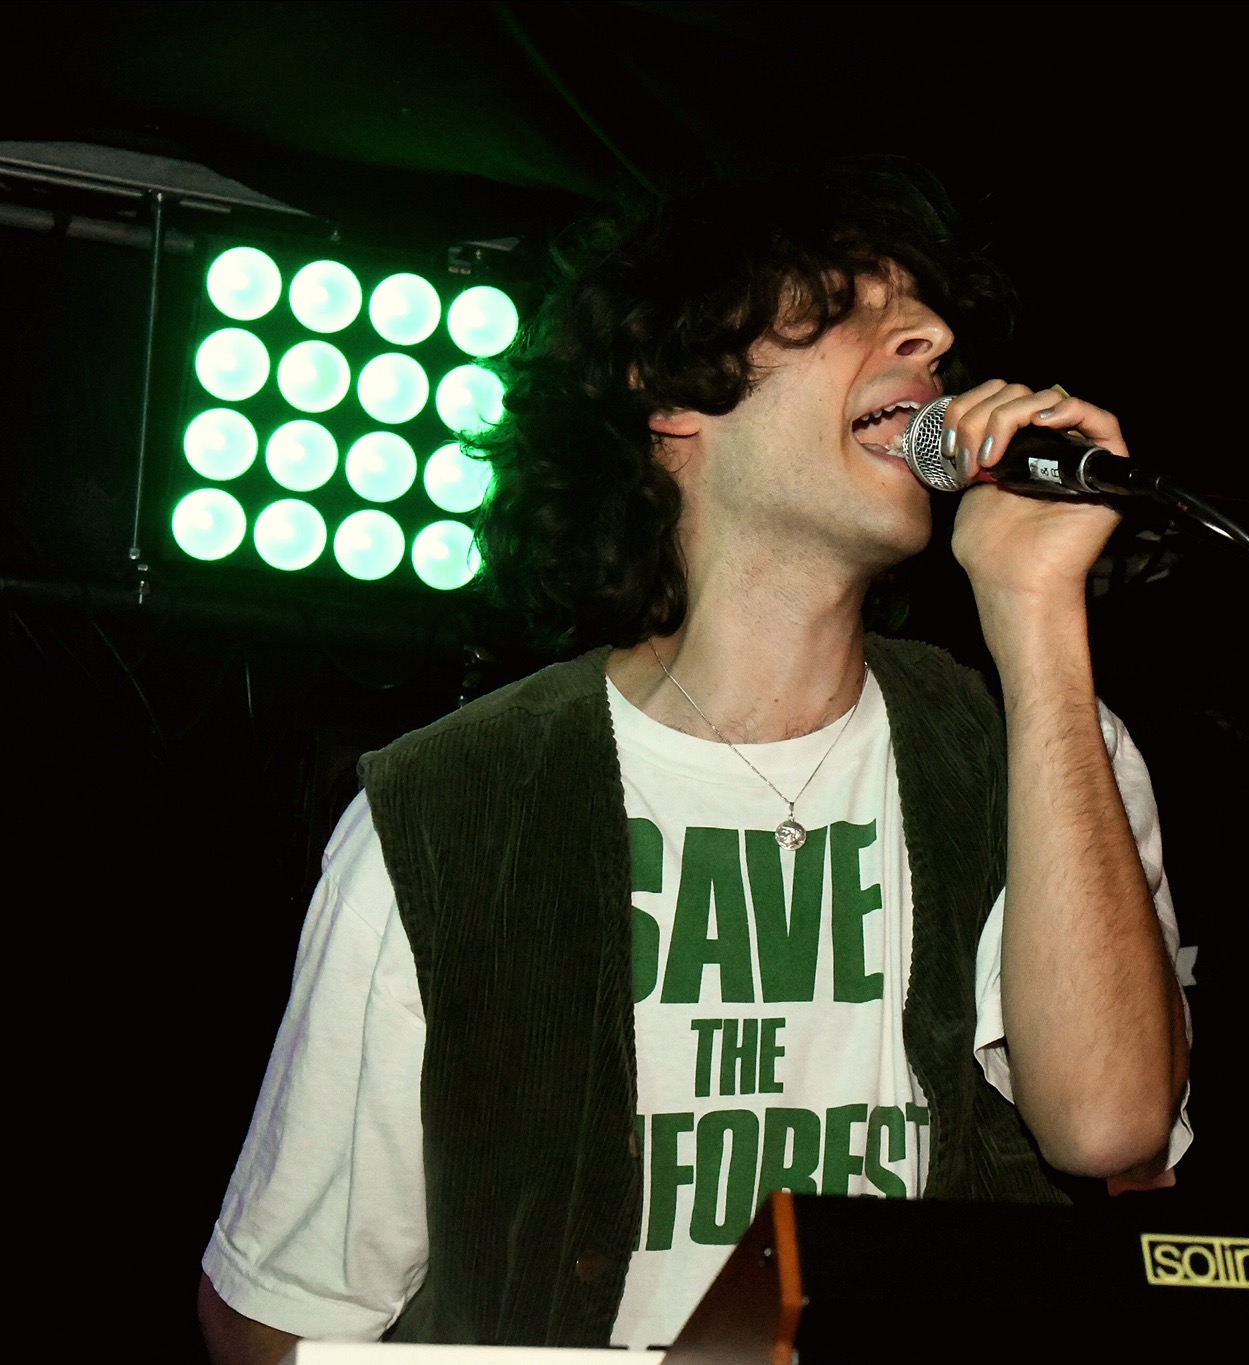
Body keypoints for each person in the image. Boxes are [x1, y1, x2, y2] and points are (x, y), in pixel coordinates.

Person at [197, 163, 1191, 1358]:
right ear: (671, 391)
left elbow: (1110, 1131)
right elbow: (272, 1322)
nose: (930, 335)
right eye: (848, 298)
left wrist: (1035, 615)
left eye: (927, 312)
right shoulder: (446, 811)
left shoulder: (1049, 750)